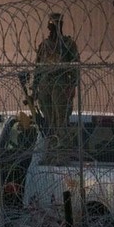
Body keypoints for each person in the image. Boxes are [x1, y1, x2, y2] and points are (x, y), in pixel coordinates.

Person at [32, 12, 80, 154]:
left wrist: (73, 85)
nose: (54, 29)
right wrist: (35, 88)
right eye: (52, 26)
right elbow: (38, 67)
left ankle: (62, 147)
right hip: (45, 82)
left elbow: (75, 65)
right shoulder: (44, 45)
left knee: (61, 117)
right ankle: (52, 144)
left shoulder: (68, 44)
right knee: (48, 117)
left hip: (61, 81)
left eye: (57, 25)